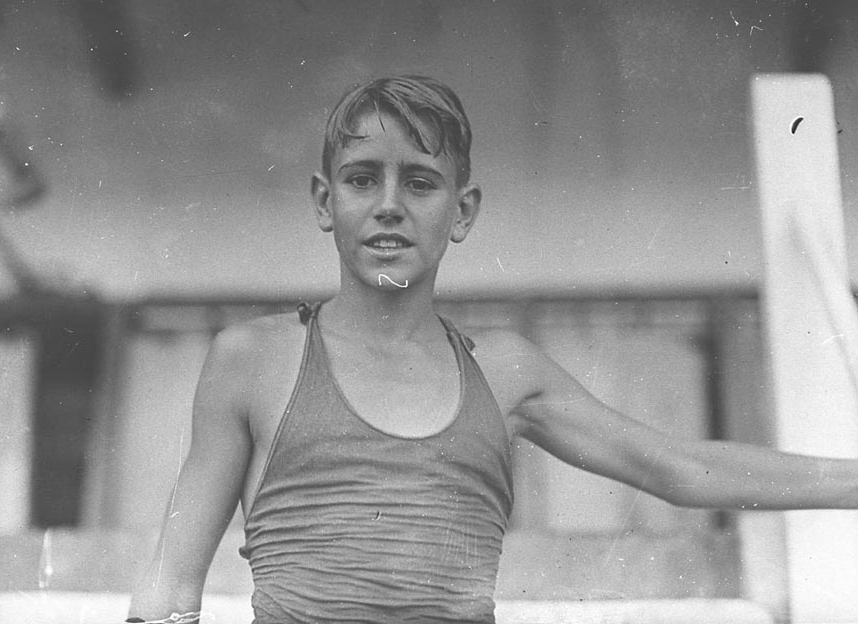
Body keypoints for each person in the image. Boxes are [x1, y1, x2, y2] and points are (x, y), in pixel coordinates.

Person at [127, 75, 858, 624]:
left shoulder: (504, 371)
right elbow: (169, 580)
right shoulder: (253, 358)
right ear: (325, 202)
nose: (389, 204)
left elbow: (675, 466)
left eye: (419, 182)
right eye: (361, 179)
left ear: (463, 210)